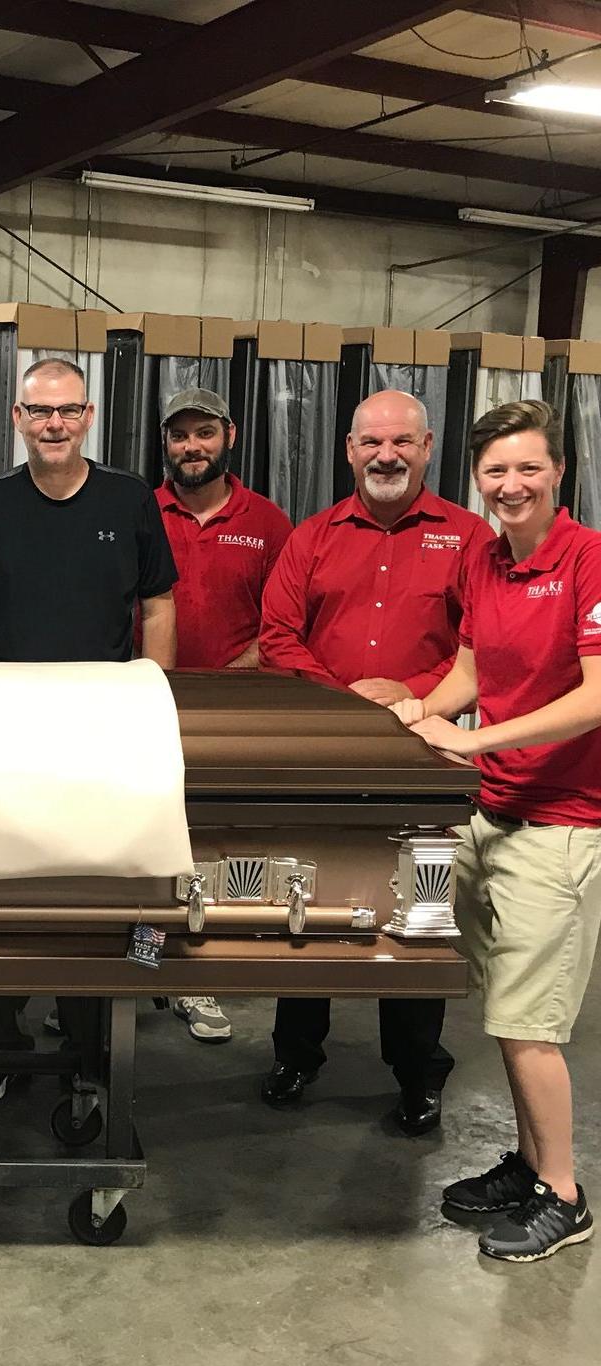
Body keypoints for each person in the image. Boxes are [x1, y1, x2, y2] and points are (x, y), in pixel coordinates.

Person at [394, 399, 599, 1262]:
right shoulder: (485, 557)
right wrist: (417, 711)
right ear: (476, 477)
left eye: (528, 468)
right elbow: (470, 670)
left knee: (530, 1025)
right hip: (493, 811)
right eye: (496, 471)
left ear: (558, 472)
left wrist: (474, 740)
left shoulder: (588, 559)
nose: (512, 485)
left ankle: (565, 1195)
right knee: (505, 1012)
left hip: (562, 824)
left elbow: (596, 696)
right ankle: (527, 1165)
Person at [258, 389, 492, 1135]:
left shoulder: (469, 538)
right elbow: (277, 635)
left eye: (401, 442)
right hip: (325, 754)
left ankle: (418, 1071)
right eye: (371, 443)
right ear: (350, 451)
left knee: (419, 912)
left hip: (424, 756)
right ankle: (297, 1054)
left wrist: (414, 698)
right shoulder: (313, 537)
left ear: (427, 448)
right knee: (309, 898)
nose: (385, 456)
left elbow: (484, 643)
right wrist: (348, 699)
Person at [0, 357, 178, 1102]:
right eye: (40, 411)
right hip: (10, 730)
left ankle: (88, 1052)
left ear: (89, 417)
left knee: (100, 896)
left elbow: (159, 604)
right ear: (18, 419)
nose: (55, 424)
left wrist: (153, 700)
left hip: (107, 728)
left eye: (69, 410)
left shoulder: (129, 499)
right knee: (0, 889)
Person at [151, 387, 294, 1044]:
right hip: (144, 711)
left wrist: (226, 680)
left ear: (229, 436)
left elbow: (283, 626)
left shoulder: (268, 522)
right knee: (145, 842)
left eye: (203, 433)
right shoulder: (139, 511)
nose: (192, 447)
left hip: (231, 716)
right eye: (180, 434)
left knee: (206, 844)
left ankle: (193, 974)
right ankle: (138, 966)